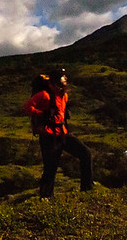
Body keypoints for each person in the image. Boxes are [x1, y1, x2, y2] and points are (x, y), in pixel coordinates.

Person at [22, 68, 93, 198]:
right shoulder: (44, 95)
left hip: (62, 133)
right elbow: (27, 107)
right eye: (61, 83)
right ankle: (46, 198)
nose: (64, 85)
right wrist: (43, 114)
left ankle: (87, 190)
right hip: (48, 136)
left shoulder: (64, 95)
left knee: (85, 153)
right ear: (54, 83)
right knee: (50, 168)